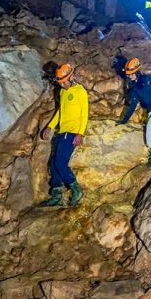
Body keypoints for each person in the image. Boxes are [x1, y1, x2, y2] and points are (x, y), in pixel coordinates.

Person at [39, 63, 88, 207]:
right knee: (53, 163)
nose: (62, 85)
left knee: (60, 163)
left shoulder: (80, 91)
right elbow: (60, 111)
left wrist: (80, 133)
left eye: (64, 82)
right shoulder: (62, 92)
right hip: (62, 132)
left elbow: (84, 114)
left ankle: (76, 190)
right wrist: (50, 126)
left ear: (71, 77)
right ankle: (57, 195)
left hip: (72, 132)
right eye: (60, 82)